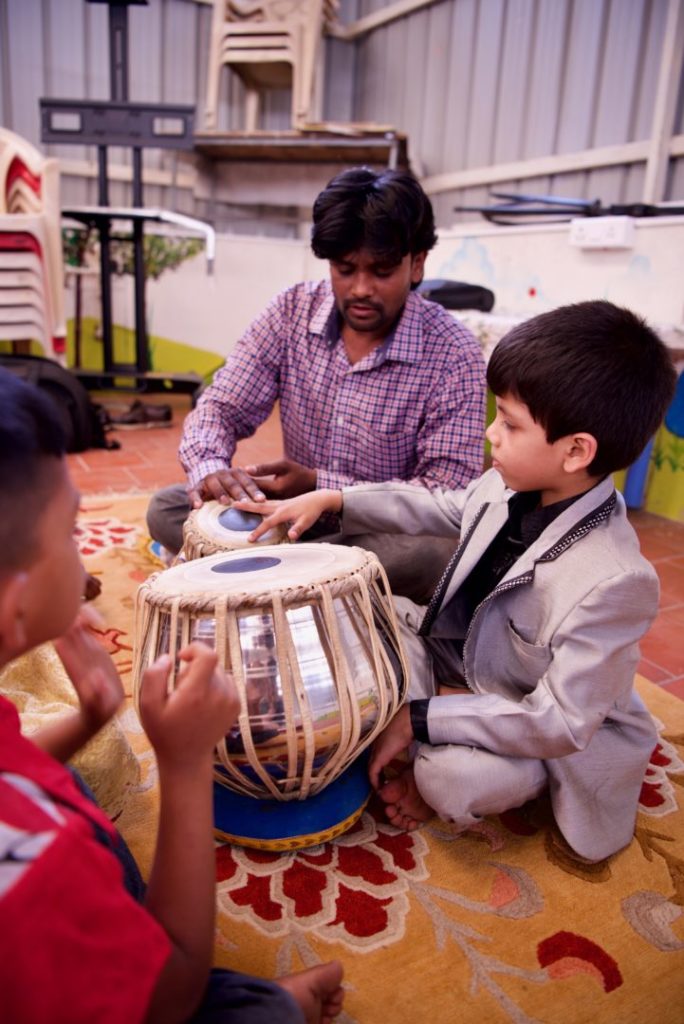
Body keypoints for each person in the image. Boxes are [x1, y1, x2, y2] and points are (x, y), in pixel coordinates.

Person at [233, 300, 677, 863]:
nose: (492, 433)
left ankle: (488, 765)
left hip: (540, 725)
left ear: (576, 451)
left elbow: (560, 721)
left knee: (448, 777)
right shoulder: (508, 483)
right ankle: (427, 717)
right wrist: (335, 499)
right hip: (462, 664)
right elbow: (438, 507)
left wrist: (417, 717)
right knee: (365, 609)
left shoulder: (615, 580)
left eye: (510, 423)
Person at [0, 368, 344, 1024]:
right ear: (17, 608)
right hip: (124, 981)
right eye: (73, 534)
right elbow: (170, 995)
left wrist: (95, 715)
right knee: (239, 1007)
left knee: (73, 801)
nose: (87, 561)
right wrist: (183, 763)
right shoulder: (40, 869)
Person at [147, 166, 486, 601]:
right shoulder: (290, 311)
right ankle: (309, 585)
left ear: (416, 264)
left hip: (374, 534)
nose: (361, 288)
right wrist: (211, 470)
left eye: (381, 271)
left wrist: (322, 489)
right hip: (285, 520)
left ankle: (254, 576)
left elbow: (447, 495)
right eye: (346, 269)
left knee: (441, 555)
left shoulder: (453, 351)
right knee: (168, 507)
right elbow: (220, 407)